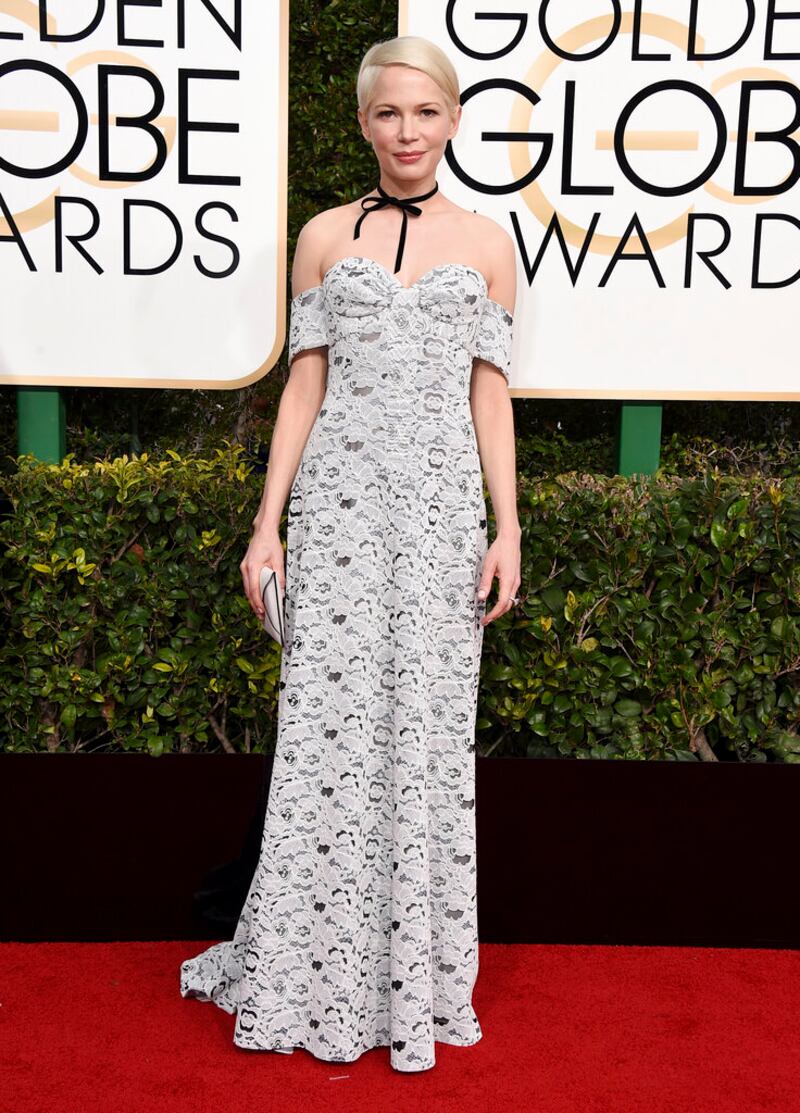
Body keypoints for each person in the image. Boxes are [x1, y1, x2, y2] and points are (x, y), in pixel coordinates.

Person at [180, 34, 521, 1073]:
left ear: (452, 118)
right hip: (337, 511)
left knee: (425, 736)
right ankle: (304, 969)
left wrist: (507, 526)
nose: (407, 132)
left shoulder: (490, 242)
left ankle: (407, 979)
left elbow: (490, 394)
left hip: (440, 518)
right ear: (364, 122)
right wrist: (266, 524)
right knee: (324, 735)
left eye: (425, 111)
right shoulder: (324, 234)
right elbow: (303, 383)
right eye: (387, 113)